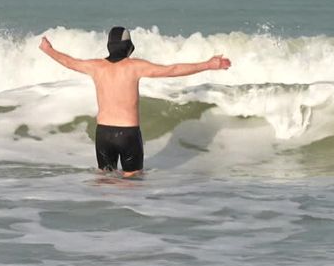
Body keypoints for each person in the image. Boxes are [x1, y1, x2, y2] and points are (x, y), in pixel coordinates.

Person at [40, 26, 231, 177]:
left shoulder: (96, 66)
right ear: (128, 46)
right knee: (132, 185)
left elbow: (70, 62)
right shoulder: (134, 66)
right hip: (127, 134)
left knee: (104, 181)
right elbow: (171, 70)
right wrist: (208, 64)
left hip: (103, 133)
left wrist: (49, 50)